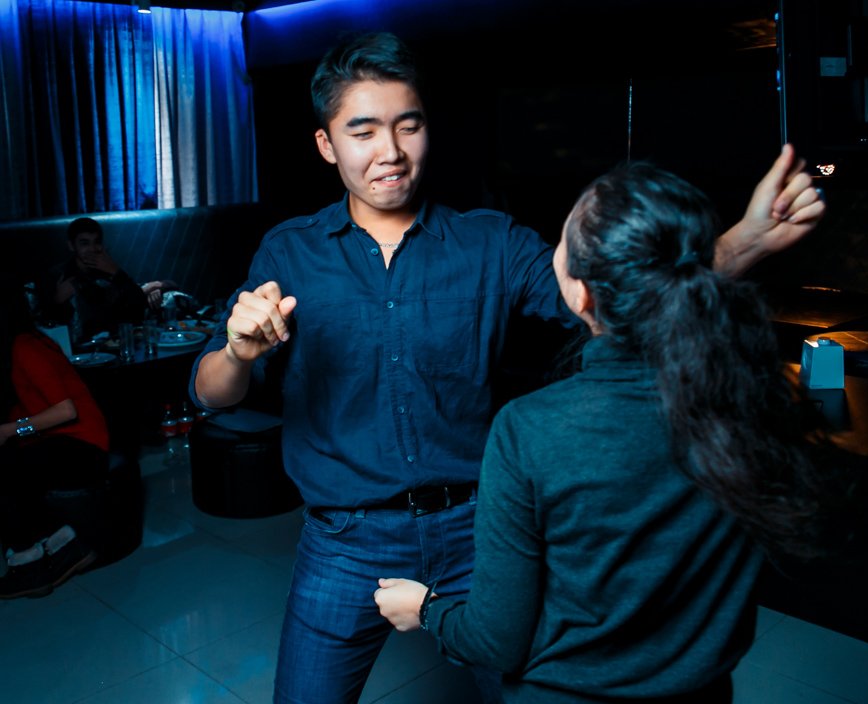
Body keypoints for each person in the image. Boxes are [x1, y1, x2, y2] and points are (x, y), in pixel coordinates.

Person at [191, 32, 824, 704]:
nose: (391, 152)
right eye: (364, 131)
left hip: (480, 533)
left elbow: (624, 291)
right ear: (327, 144)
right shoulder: (289, 252)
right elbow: (210, 393)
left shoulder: (491, 241)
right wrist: (237, 353)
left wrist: (746, 240)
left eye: (409, 126)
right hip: (344, 541)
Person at [374, 162, 833, 703]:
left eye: (565, 242)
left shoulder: (529, 431)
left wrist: (426, 608)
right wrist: (746, 239)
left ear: (581, 295)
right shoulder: (756, 402)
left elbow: (496, 641)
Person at [0, 275, 106, 600]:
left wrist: (11, 430)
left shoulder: (25, 346)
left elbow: (65, 411)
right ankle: (60, 545)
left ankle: (30, 563)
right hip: (64, 442)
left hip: (84, 445)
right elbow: (28, 405)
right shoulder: (22, 344)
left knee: (9, 470)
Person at [39, 217, 147, 345]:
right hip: (75, 349)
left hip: (113, 346)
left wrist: (116, 272)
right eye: (85, 243)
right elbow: (42, 323)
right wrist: (57, 301)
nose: (92, 249)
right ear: (71, 246)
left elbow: (140, 307)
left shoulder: (109, 271)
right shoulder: (58, 275)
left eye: (97, 242)